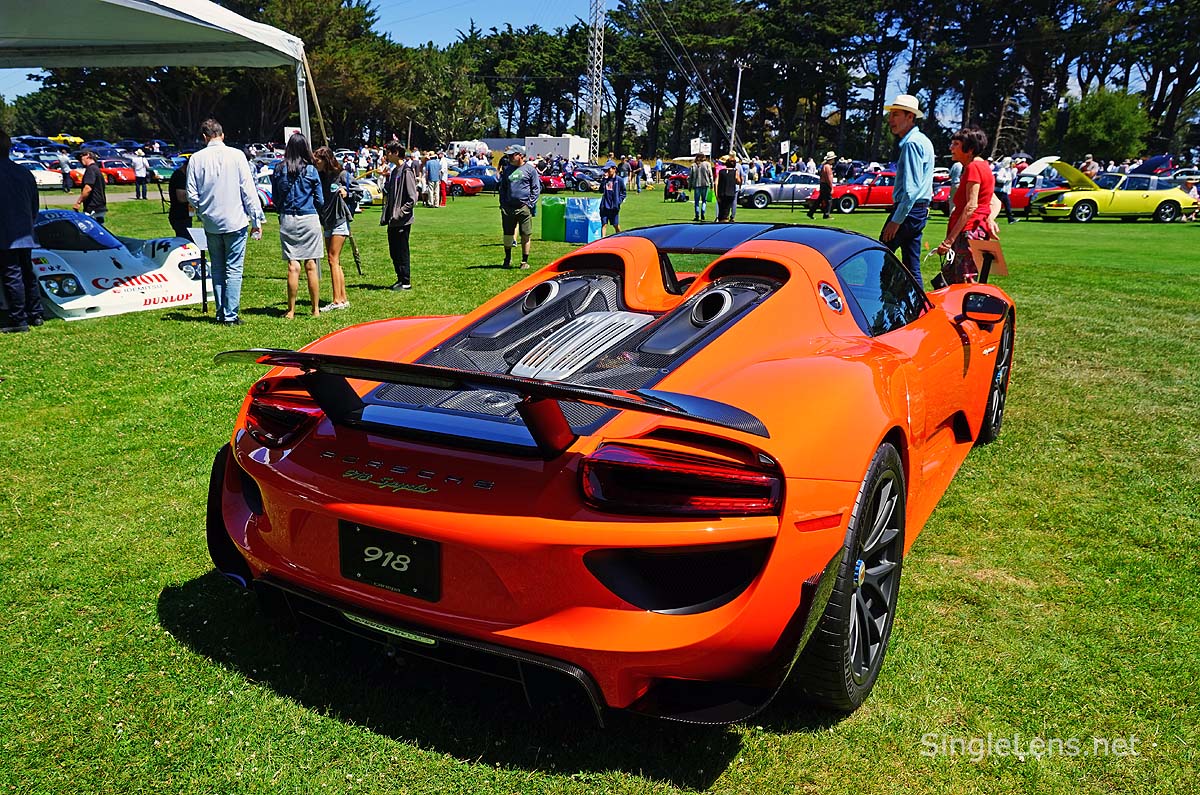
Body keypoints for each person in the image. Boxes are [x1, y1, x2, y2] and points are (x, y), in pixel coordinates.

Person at [186, 118, 264, 326]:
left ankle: (222, 312)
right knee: (234, 269)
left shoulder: (196, 159)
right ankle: (230, 314)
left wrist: (203, 211)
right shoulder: (237, 155)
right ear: (222, 134)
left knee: (218, 268)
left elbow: (192, 194)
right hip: (235, 219)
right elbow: (248, 190)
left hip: (211, 222)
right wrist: (256, 219)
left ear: (204, 137)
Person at [879, 93, 935, 284]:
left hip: (908, 212)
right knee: (912, 267)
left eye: (896, 114)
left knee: (881, 258)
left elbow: (911, 190)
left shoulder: (912, 144)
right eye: (891, 114)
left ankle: (885, 301)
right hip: (919, 211)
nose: (890, 120)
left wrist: (896, 220)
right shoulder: (923, 141)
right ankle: (919, 308)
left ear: (910, 117)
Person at [271, 133, 325, 319]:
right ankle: (315, 309)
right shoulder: (311, 170)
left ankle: (291, 310)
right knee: (311, 265)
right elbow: (320, 199)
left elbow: (275, 198)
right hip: (309, 218)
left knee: (293, 266)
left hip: (288, 219)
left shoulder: (279, 169)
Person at [936, 127, 995, 284]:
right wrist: (990, 219)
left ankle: (967, 309)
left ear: (969, 149)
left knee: (964, 281)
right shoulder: (983, 166)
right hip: (976, 230)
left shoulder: (973, 168)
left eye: (956, 144)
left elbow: (971, 206)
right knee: (954, 278)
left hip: (969, 232)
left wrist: (948, 241)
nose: (951, 148)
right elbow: (994, 201)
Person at [0, 128, 44, 333]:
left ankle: (18, 319)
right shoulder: (24, 172)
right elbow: (34, 205)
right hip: (25, 231)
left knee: (12, 275)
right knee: (27, 273)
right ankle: (36, 313)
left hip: (5, 233)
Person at [314, 146, 352, 311]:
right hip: (327, 220)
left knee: (332, 258)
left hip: (339, 220)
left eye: (318, 161)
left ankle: (336, 301)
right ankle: (343, 298)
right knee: (335, 261)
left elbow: (356, 190)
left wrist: (346, 191)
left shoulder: (341, 174)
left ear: (326, 160)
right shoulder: (321, 176)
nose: (316, 163)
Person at [380, 140, 417, 290]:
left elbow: (412, 198)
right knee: (393, 252)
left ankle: (406, 281)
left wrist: (400, 214)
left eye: (389, 152)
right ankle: (400, 278)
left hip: (402, 221)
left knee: (402, 252)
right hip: (392, 221)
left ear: (396, 153)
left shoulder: (406, 171)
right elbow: (389, 192)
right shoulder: (395, 171)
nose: (387, 155)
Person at [498, 145, 540, 269]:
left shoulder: (530, 170)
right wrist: (503, 204)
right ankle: (507, 258)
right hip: (508, 208)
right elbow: (503, 188)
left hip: (524, 207)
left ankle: (524, 261)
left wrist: (529, 204)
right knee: (508, 234)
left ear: (521, 155)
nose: (509, 157)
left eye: (512, 155)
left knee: (525, 234)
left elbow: (536, 189)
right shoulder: (507, 170)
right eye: (508, 155)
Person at [73, 151, 107, 224]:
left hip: (93, 207)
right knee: (99, 230)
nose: (80, 160)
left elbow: (88, 188)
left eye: (80, 157)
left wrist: (78, 202)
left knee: (85, 229)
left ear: (88, 155)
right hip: (100, 206)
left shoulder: (91, 169)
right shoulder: (96, 169)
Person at [598, 159, 626, 235]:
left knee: (615, 225)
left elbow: (623, 192)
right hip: (604, 206)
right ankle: (602, 241)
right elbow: (600, 190)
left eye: (608, 169)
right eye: (605, 170)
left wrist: (619, 201)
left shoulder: (619, 180)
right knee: (604, 224)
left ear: (614, 169)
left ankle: (620, 237)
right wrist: (604, 180)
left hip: (614, 207)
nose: (607, 172)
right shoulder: (605, 180)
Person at [167, 160, 192, 241]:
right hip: (179, 216)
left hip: (185, 215)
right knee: (185, 240)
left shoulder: (184, 176)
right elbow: (181, 197)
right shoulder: (179, 176)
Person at [809, 151, 836, 219]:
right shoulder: (828, 167)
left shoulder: (824, 166)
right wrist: (831, 187)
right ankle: (826, 214)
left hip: (822, 184)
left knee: (819, 200)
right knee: (829, 200)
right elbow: (829, 178)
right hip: (826, 185)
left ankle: (811, 212)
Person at [716, 153, 741, 222]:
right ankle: (728, 219)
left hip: (721, 192)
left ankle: (720, 219)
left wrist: (716, 193)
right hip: (730, 192)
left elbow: (716, 182)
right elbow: (738, 181)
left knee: (721, 210)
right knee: (727, 210)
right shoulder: (735, 171)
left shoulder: (721, 171)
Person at [691, 153, 713, 221]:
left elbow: (690, 176)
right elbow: (711, 175)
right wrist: (712, 183)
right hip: (705, 184)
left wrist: (689, 186)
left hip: (697, 185)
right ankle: (703, 213)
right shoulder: (707, 164)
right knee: (704, 201)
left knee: (696, 201)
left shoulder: (693, 165)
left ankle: (697, 215)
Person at [995, 156, 1017, 223]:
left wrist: (1013, 171)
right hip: (999, 191)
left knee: (1007, 205)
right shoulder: (1002, 170)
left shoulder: (1009, 170)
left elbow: (1013, 178)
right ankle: (1010, 219)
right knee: (998, 206)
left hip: (1004, 191)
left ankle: (1010, 219)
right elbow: (998, 178)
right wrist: (1006, 180)